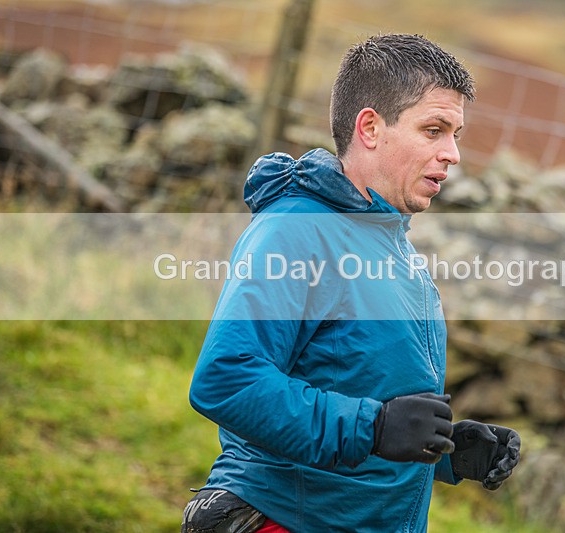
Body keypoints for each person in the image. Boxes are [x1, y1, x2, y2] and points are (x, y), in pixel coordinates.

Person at [183, 33, 521, 533]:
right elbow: (225, 380)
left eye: (456, 134)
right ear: (370, 127)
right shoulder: (297, 232)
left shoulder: (392, 243)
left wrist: (445, 451)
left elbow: (358, 386)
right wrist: (375, 427)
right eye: (434, 130)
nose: (452, 153)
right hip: (289, 518)